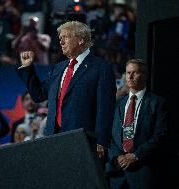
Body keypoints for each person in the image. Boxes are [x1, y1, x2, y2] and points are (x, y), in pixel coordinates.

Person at [17, 21, 116, 158]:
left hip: (83, 140)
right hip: (53, 139)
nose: (61, 42)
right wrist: (28, 68)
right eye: (60, 38)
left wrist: (102, 140)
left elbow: (105, 108)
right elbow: (39, 95)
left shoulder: (100, 68)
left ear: (81, 39)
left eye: (66, 37)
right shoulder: (59, 68)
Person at [106, 59, 168, 189]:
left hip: (143, 172)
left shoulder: (157, 103)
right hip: (117, 174)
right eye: (128, 73)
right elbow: (110, 137)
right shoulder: (118, 104)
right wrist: (118, 157)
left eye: (135, 73)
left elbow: (160, 135)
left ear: (145, 76)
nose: (130, 76)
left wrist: (136, 155)